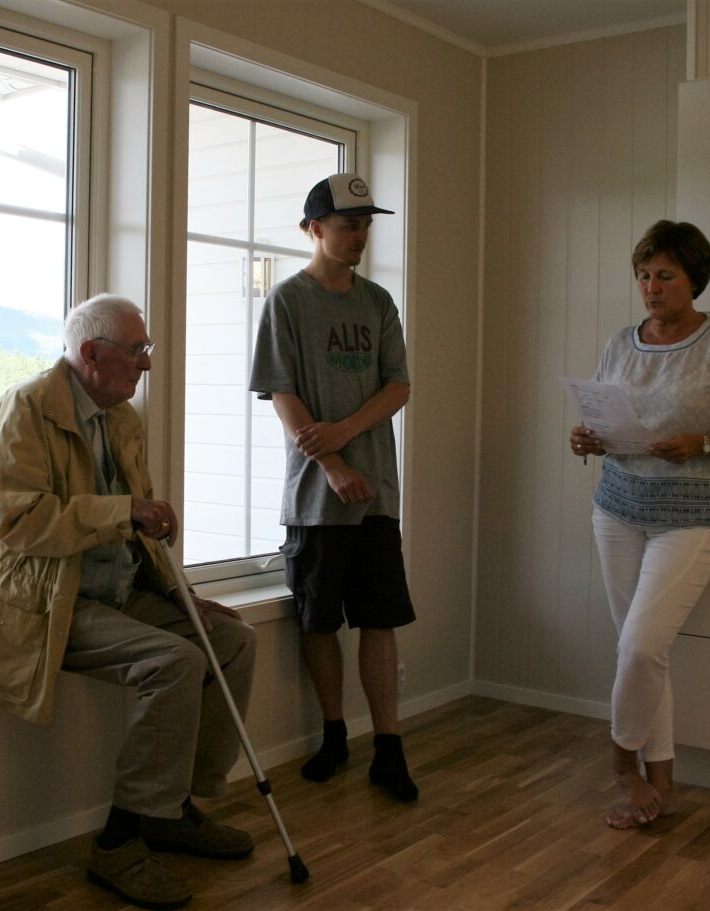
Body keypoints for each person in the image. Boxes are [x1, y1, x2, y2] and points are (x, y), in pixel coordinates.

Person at [0, 293, 258, 910]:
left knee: (230, 639)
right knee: (175, 662)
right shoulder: (22, 411)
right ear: (91, 353)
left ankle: (171, 808)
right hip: (50, 603)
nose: (146, 363)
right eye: (138, 350)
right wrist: (127, 511)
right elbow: (22, 524)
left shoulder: (122, 417)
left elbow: (137, 535)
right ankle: (120, 844)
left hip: (117, 591)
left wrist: (185, 596)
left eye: (145, 348)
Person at [569, 220, 710, 830]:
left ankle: (621, 767)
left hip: (695, 513)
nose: (652, 287)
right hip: (619, 508)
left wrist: (703, 443)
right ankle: (664, 783)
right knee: (643, 655)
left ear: (694, 279)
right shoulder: (619, 344)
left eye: (665, 275)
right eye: (643, 276)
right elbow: (608, 419)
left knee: (640, 645)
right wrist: (588, 438)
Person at [249, 172, 418, 803]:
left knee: (379, 621)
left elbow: (398, 386)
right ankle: (333, 735)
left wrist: (345, 435)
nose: (360, 236)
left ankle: (390, 746)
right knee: (320, 623)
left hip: (376, 495)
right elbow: (281, 392)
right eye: (349, 225)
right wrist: (331, 464)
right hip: (316, 499)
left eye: (367, 225)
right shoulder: (288, 302)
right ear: (314, 229)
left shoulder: (377, 303)